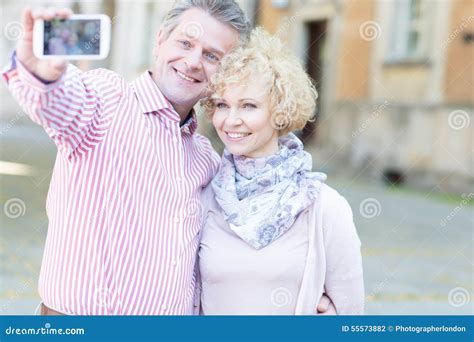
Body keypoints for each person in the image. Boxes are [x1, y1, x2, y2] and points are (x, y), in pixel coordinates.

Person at [3, 1, 334, 315]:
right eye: (186, 43)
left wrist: (304, 299)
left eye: (212, 56)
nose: (193, 62)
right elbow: (56, 99)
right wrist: (41, 75)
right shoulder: (105, 102)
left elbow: (246, 243)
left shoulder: (207, 159)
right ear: (160, 40)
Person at [197, 28, 365, 315]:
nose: (231, 120)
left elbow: (351, 315)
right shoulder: (204, 196)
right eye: (223, 105)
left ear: (280, 112)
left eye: (249, 106)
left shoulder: (324, 207)